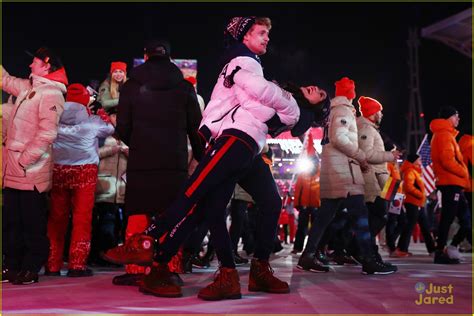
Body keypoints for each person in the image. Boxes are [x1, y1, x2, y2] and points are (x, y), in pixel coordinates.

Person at [104, 16, 328, 299]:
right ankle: (160, 250)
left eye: (319, 94)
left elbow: (266, 106)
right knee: (201, 199)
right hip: (234, 138)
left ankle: (169, 255)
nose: (267, 38)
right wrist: (285, 105)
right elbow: (256, 99)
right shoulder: (243, 62)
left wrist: (288, 105)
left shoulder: (255, 70)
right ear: (245, 36)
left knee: (236, 201)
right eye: (261, 32)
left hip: (246, 143)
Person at [110, 39, 205, 286]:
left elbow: (123, 127)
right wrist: (202, 157)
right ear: (170, 58)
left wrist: (138, 144)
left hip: (142, 160)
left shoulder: (131, 86)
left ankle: (135, 269)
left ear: (146, 55)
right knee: (170, 215)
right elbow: (196, 129)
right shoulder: (185, 87)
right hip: (173, 163)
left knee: (138, 214)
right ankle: (167, 266)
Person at [297, 77, 397, 275]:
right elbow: (340, 138)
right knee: (360, 216)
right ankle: (368, 259)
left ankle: (308, 255)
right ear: (349, 93)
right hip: (344, 171)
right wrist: (360, 156)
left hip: (336, 168)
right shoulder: (343, 111)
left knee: (326, 216)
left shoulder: (334, 111)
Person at [1, 47, 68, 284]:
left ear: (47, 66)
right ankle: (10, 266)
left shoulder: (51, 93)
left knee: (32, 223)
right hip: (13, 172)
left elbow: (47, 134)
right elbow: (4, 80)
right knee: (11, 222)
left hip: (30, 173)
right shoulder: (29, 88)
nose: (30, 65)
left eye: (35, 62)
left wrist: (24, 159)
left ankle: (31, 267)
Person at [46, 84, 115, 277]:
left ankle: (53, 265)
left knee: (56, 219)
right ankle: (77, 265)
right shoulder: (92, 122)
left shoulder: (54, 120)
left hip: (59, 171)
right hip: (84, 172)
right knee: (81, 219)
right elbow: (110, 128)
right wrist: (100, 112)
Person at [356, 96, 400, 267]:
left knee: (380, 216)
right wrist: (390, 156)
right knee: (379, 216)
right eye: (379, 111)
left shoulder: (371, 129)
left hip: (383, 179)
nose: (381, 114)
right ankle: (363, 250)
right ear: (373, 113)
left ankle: (369, 252)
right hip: (372, 179)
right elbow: (367, 155)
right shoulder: (366, 129)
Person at [430, 106, 471, 264]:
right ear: (449, 118)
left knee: (464, 218)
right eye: (456, 116)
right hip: (450, 183)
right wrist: (463, 172)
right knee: (448, 218)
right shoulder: (444, 135)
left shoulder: (446, 135)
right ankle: (440, 252)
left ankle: (449, 248)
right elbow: (447, 161)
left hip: (453, 183)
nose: (458, 119)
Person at [90, 105, 129, 266]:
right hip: (104, 186)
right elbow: (92, 153)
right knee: (105, 221)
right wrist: (112, 149)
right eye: (114, 116)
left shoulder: (130, 134)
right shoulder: (101, 134)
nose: (117, 119)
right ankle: (100, 254)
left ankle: (113, 254)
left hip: (122, 187)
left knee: (117, 223)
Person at [392, 154, 426, 256]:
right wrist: (421, 195)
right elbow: (408, 187)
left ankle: (432, 249)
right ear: (414, 160)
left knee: (422, 226)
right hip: (411, 201)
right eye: (419, 159)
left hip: (416, 202)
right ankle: (398, 247)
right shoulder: (410, 171)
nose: (420, 160)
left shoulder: (415, 171)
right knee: (405, 224)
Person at [292, 132, 321, 254]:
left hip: (315, 204)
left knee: (315, 228)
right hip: (306, 203)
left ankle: (315, 248)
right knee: (302, 227)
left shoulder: (320, 173)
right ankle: (298, 247)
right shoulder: (304, 173)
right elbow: (298, 188)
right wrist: (297, 203)